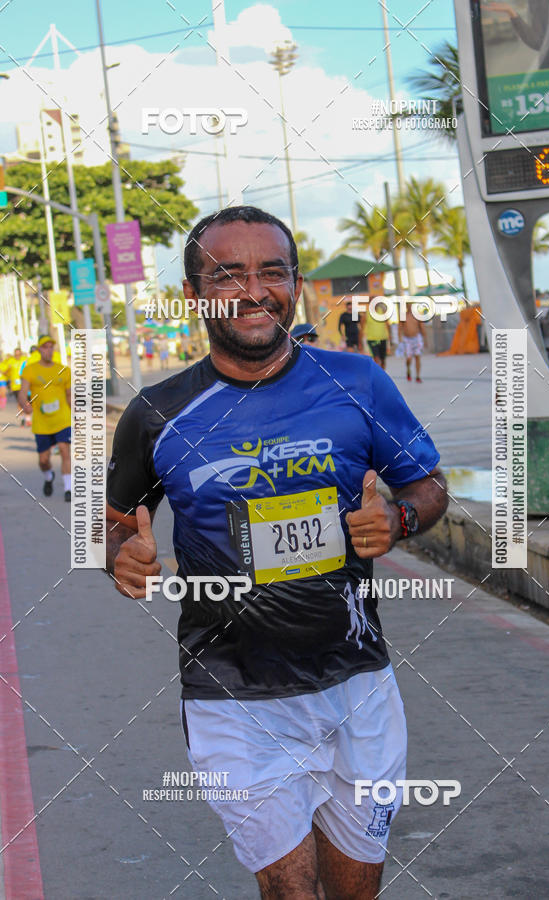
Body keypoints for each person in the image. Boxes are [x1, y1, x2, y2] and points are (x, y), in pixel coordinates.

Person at [105, 206, 448, 899]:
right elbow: (114, 521)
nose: (253, 290)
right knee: (292, 893)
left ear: (295, 284)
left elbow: (428, 485)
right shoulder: (156, 414)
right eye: (227, 274)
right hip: (234, 695)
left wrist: (400, 518)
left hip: (357, 685)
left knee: (357, 891)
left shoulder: (359, 383)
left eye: (271, 271)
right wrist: (121, 555)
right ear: (197, 293)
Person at [18, 336, 72, 501]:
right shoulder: (31, 370)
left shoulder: (64, 370)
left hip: (62, 419)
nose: (49, 350)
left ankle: (68, 489)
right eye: (45, 347)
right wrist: (24, 404)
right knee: (43, 460)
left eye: (51, 346)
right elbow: (22, 392)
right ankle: (49, 477)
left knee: (65, 451)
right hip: (42, 422)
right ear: (39, 350)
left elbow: (69, 396)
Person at [398, 301, 427, 383]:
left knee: (417, 356)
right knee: (409, 358)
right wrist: (399, 338)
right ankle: (408, 369)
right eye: (408, 305)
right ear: (406, 306)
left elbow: (421, 327)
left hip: (416, 338)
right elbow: (400, 327)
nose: (410, 307)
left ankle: (418, 376)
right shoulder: (403, 316)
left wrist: (425, 338)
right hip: (407, 339)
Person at [363, 300, 391, 370]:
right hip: (372, 339)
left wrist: (390, 336)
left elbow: (388, 325)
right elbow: (361, 328)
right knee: (376, 358)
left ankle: (382, 374)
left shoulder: (383, 312)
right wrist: (360, 342)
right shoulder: (366, 314)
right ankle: (378, 375)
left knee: (383, 360)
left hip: (383, 339)